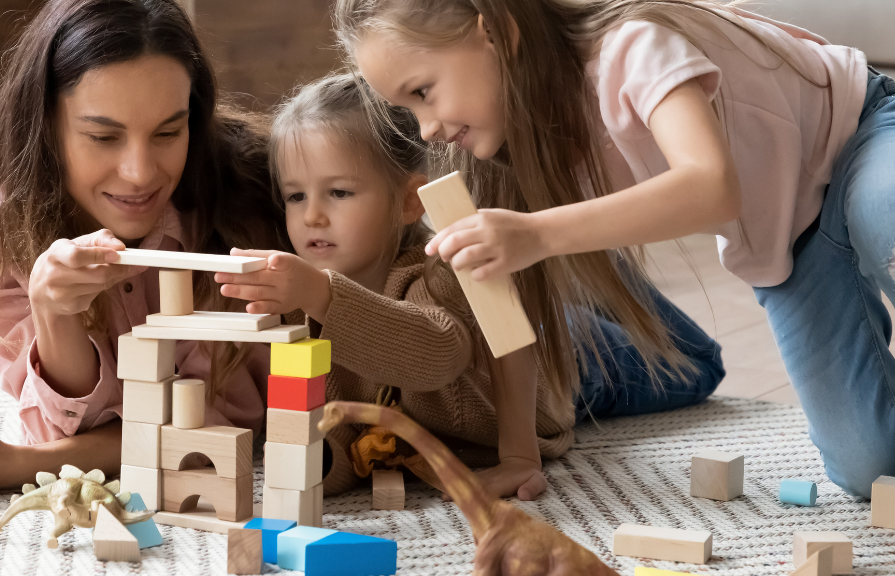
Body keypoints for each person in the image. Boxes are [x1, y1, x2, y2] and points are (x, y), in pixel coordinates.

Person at [335, 0, 894, 497]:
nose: (425, 129)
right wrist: (519, 454)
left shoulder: (633, 46)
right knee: (870, 468)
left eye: (423, 91)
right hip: (794, 232)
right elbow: (511, 310)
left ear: (495, 32)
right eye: (407, 108)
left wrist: (538, 233)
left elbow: (712, 186)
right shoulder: (505, 156)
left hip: (861, 131)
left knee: (882, 210)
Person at [215, 73, 723, 500]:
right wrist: (317, 467)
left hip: (562, 369)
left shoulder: (438, 273)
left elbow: (435, 355)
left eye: (339, 193)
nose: (312, 216)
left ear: (410, 201)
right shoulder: (301, 302)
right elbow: (340, 431)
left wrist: (323, 295)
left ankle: (587, 263)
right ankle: (553, 278)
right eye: (295, 196)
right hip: (495, 338)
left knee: (699, 366)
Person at [0, 0, 284, 500]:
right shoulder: (0, 227)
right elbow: (63, 428)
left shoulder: (244, 202)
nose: (140, 172)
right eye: (103, 136)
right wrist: (53, 313)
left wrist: (15, 465)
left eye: (168, 132)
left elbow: (209, 428)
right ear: (47, 125)